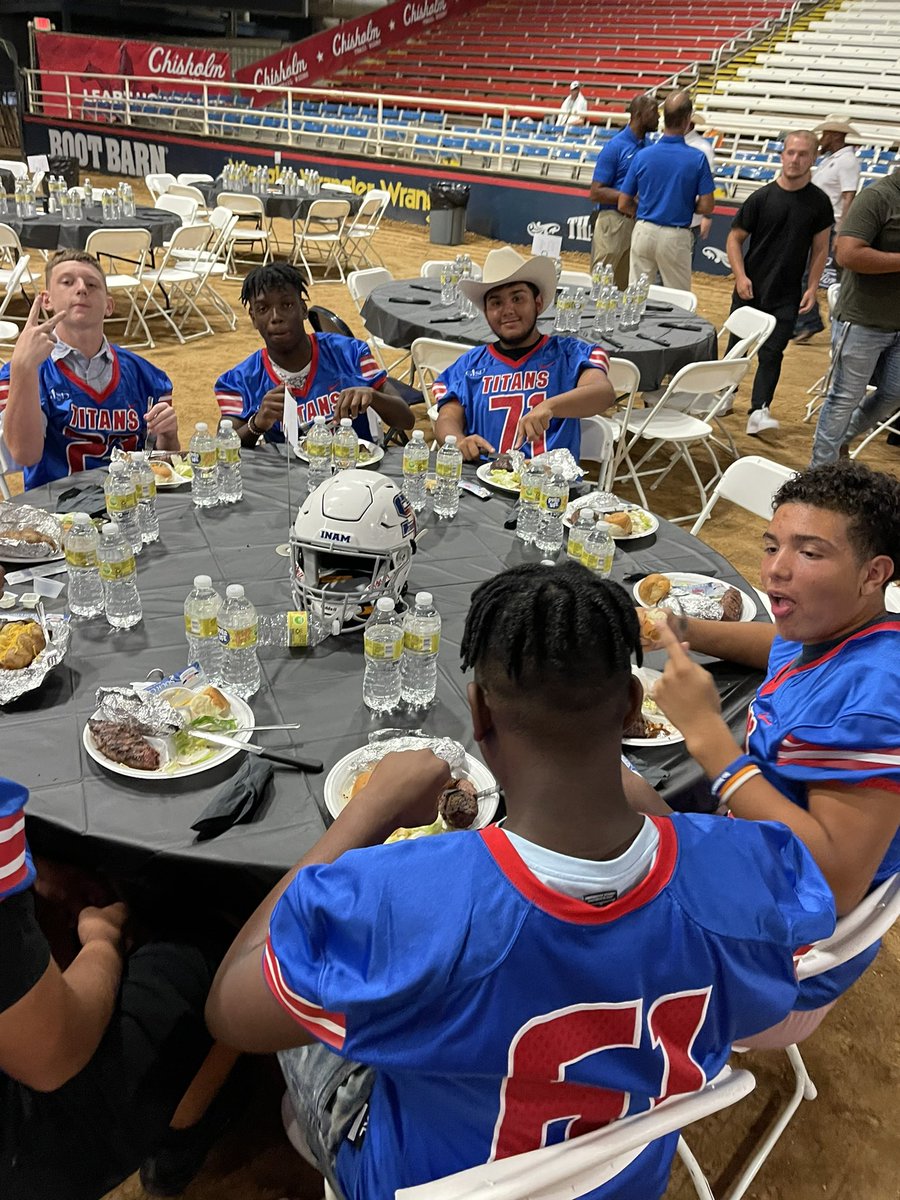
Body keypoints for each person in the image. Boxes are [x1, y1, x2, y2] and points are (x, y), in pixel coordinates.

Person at [206, 562, 834, 1200]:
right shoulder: (754, 870)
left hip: (413, 1176)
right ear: (631, 705)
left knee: (295, 973)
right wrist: (651, 811)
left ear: (478, 712)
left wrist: (375, 807)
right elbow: (761, 1002)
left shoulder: (397, 901)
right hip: (626, 1174)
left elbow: (231, 1011)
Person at [652, 462, 900, 1048]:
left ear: (873, 574)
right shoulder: (841, 628)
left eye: (810, 553)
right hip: (749, 859)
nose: (774, 570)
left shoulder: (870, 707)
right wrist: (680, 628)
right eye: (771, 545)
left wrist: (712, 741)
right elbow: (781, 645)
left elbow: (835, 882)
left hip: (774, 968)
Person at [0, 776, 219, 1200]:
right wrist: (102, 940)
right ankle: (176, 1153)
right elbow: (54, 1053)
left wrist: (32, 869)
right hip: (20, 1146)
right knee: (206, 940)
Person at [0, 251, 178, 489]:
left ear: (109, 305)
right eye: (67, 282)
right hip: (58, 514)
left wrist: (168, 438)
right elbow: (24, 455)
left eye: (92, 284)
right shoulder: (23, 372)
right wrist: (24, 368)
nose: (82, 288)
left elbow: (163, 465)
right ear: (47, 299)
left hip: (129, 509)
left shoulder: (148, 376)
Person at [432, 247, 614, 462]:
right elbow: (446, 417)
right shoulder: (469, 365)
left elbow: (603, 393)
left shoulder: (570, 354)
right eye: (496, 303)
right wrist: (457, 440)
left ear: (537, 303)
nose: (508, 310)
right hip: (483, 483)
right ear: (486, 312)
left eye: (517, 299)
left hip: (548, 486)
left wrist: (550, 406)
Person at [214, 263, 414, 448]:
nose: (276, 317)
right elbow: (222, 447)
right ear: (253, 318)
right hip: (288, 481)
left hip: (356, 474)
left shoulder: (350, 353)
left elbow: (406, 419)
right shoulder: (240, 380)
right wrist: (256, 423)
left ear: (302, 309)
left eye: (287, 305)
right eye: (263, 309)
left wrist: (373, 396)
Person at [726, 130, 834, 436]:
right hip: (750, 289)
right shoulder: (761, 197)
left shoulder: (820, 203)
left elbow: (821, 248)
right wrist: (740, 275)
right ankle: (724, 394)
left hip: (787, 295)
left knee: (772, 354)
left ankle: (759, 411)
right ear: (782, 155)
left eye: (802, 154)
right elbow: (734, 238)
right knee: (737, 349)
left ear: (814, 158)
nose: (795, 160)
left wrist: (812, 287)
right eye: (790, 152)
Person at [809, 170, 900, 466]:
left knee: (893, 395)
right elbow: (847, 254)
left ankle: (839, 441)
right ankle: (819, 473)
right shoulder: (878, 196)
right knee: (844, 398)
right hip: (863, 318)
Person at [617, 91, 715, 290]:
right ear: (687, 119)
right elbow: (707, 205)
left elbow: (623, 202)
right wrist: (685, 205)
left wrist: (646, 208)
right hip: (675, 234)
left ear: (664, 119)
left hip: (644, 228)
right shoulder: (697, 158)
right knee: (677, 299)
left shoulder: (643, 155)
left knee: (637, 294)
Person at [793, 115, 861, 344]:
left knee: (807, 272)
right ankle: (806, 320)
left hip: (828, 223)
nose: (822, 139)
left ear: (834, 136)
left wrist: (842, 230)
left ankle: (809, 322)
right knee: (805, 271)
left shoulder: (846, 161)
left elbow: (848, 196)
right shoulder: (836, 159)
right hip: (819, 221)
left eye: (825, 135)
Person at [589, 94, 659, 289]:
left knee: (625, 286)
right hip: (613, 220)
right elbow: (595, 192)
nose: (659, 116)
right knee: (601, 283)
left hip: (637, 222)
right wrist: (627, 197)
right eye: (653, 111)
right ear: (638, 114)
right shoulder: (615, 147)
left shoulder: (650, 147)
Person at [684, 120, 716, 251]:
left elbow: (709, 184)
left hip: (691, 217)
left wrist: (707, 215)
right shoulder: (702, 148)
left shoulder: (703, 148)